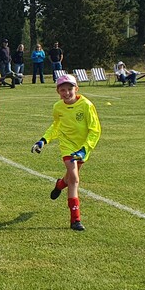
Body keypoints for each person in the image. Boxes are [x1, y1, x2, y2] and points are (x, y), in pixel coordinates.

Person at [32, 72, 102, 232]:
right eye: (62, 90)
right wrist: (43, 140)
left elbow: (95, 130)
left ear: (76, 88)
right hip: (67, 146)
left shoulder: (86, 105)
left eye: (70, 89)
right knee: (75, 179)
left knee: (70, 177)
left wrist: (85, 149)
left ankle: (60, 184)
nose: (67, 93)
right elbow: (56, 126)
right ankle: (75, 220)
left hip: (83, 146)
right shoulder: (58, 107)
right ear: (58, 92)